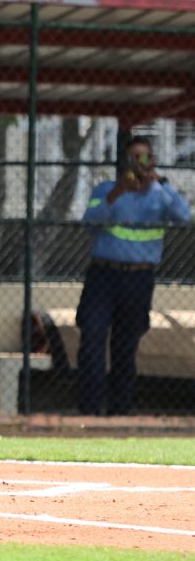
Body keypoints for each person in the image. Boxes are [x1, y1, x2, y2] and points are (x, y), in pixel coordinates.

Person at [76, 136, 191, 416]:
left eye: (144, 157)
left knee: (126, 345)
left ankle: (120, 411)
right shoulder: (106, 190)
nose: (139, 164)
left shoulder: (160, 194)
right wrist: (117, 193)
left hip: (138, 280)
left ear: (151, 161)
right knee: (92, 338)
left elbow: (184, 217)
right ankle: (89, 411)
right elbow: (90, 224)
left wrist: (160, 184)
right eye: (133, 158)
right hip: (103, 276)